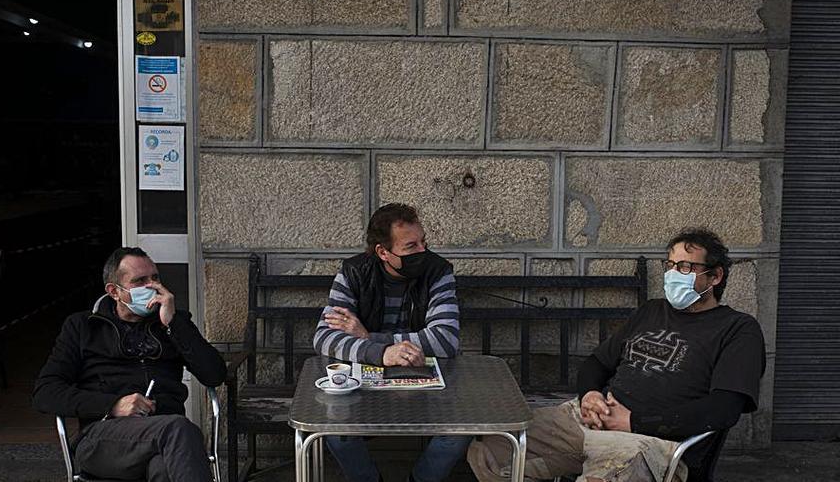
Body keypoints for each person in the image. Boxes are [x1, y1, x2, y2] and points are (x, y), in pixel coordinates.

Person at [467, 227, 766, 482]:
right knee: (492, 449)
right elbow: (597, 363)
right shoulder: (652, 311)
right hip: (589, 420)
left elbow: (724, 409)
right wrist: (589, 395)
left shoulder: (738, 329)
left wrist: (634, 422)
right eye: (671, 265)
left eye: (686, 267)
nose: (675, 274)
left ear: (714, 277)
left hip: (650, 442)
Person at [33, 247, 226, 482]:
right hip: (102, 439)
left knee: (165, 468)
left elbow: (214, 374)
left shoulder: (174, 323)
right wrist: (113, 405)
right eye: (140, 281)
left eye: (155, 278)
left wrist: (173, 324)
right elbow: (45, 392)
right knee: (179, 430)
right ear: (114, 291)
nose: (152, 286)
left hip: (164, 436)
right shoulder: (83, 326)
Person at [312, 203, 471, 482]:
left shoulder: (437, 271)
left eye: (424, 242)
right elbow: (324, 337)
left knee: (457, 434)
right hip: (365, 387)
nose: (423, 251)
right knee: (337, 433)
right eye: (411, 247)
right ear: (383, 252)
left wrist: (369, 338)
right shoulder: (353, 272)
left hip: (427, 386)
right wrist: (383, 353)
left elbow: (446, 339)